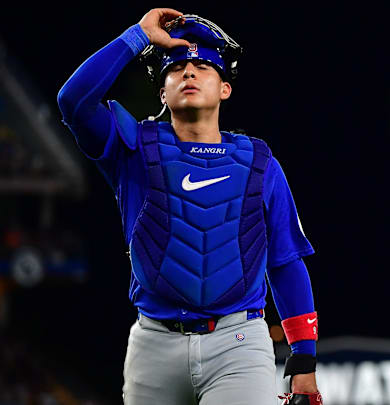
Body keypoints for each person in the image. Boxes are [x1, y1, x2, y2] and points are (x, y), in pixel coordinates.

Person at [57, 8, 322, 405]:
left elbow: (285, 261)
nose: (189, 72)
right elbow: (73, 101)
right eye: (177, 66)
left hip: (238, 343)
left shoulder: (259, 162)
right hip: (154, 345)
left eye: (202, 66)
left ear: (225, 89)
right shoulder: (131, 148)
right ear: (162, 91)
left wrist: (304, 362)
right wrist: (138, 36)